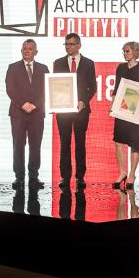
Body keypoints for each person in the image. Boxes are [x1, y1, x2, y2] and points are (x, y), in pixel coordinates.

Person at [53, 32, 96, 188]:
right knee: (64, 143)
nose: (68, 47)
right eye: (66, 44)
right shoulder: (58, 62)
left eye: (71, 44)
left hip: (81, 110)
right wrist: (54, 102)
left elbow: (93, 87)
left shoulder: (89, 63)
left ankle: (80, 177)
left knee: (80, 143)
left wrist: (83, 101)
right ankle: (65, 177)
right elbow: (55, 85)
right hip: (63, 110)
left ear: (79, 45)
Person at [5, 39, 49, 189]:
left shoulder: (43, 68)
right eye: (24, 48)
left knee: (35, 146)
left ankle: (34, 178)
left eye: (30, 48)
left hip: (37, 114)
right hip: (18, 113)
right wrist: (23, 104)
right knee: (18, 145)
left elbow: (46, 89)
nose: (26, 50)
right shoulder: (13, 68)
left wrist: (35, 104)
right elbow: (10, 89)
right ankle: (19, 178)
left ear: (36, 52)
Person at [111, 41, 139, 189]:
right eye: (124, 51)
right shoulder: (120, 67)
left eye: (127, 51)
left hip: (137, 110)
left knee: (135, 143)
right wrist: (113, 104)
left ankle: (132, 174)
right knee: (118, 141)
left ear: (135, 51)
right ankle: (122, 172)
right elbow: (117, 88)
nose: (124, 53)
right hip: (121, 108)